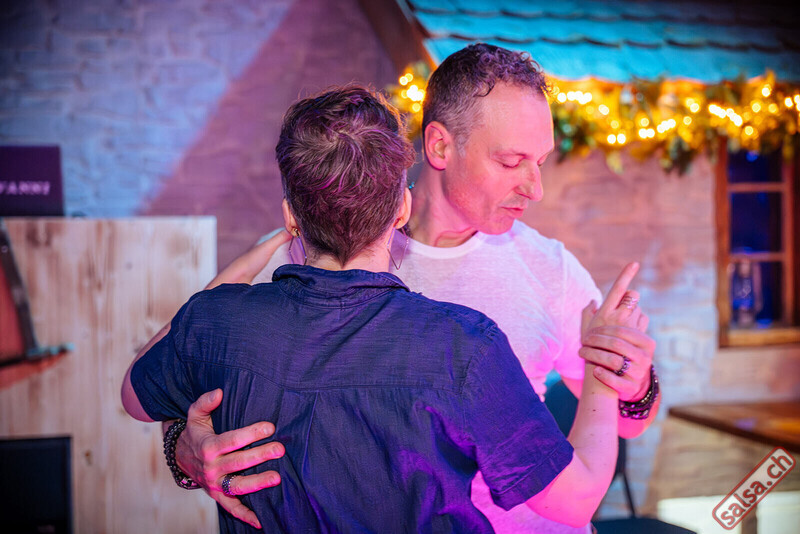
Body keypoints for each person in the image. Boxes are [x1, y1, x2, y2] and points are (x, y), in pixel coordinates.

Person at [167, 44, 661, 533]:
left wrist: (635, 383)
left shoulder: (550, 268)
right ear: (440, 146)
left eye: (541, 161)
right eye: (512, 162)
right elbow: (174, 378)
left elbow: (628, 423)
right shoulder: (306, 255)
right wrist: (184, 449)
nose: (535, 188)